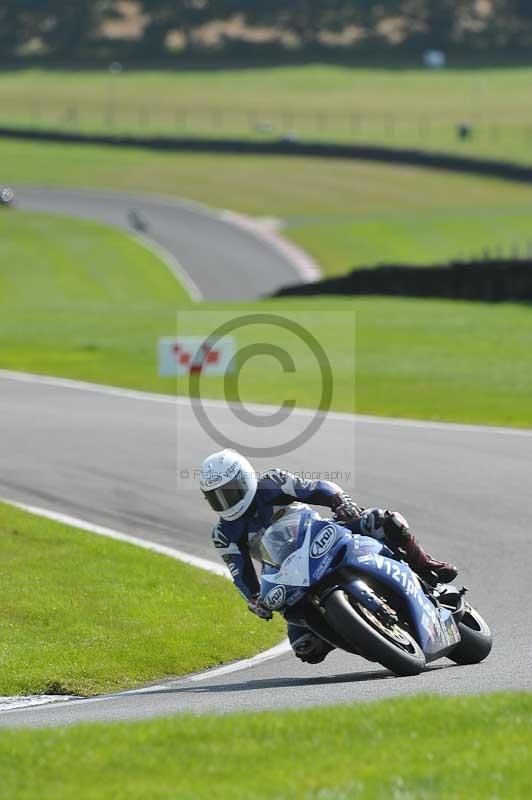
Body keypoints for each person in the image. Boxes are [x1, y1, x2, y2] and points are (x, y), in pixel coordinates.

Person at [199, 449, 457, 664]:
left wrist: (340, 502)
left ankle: (425, 565)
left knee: (384, 521)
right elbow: (240, 573)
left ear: (244, 478)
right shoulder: (223, 534)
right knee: (305, 647)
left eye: (229, 492)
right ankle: (360, 632)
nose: (225, 501)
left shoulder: (272, 482)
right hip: (289, 572)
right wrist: (254, 599)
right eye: (216, 497)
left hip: (321, 535)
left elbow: (317, 488)